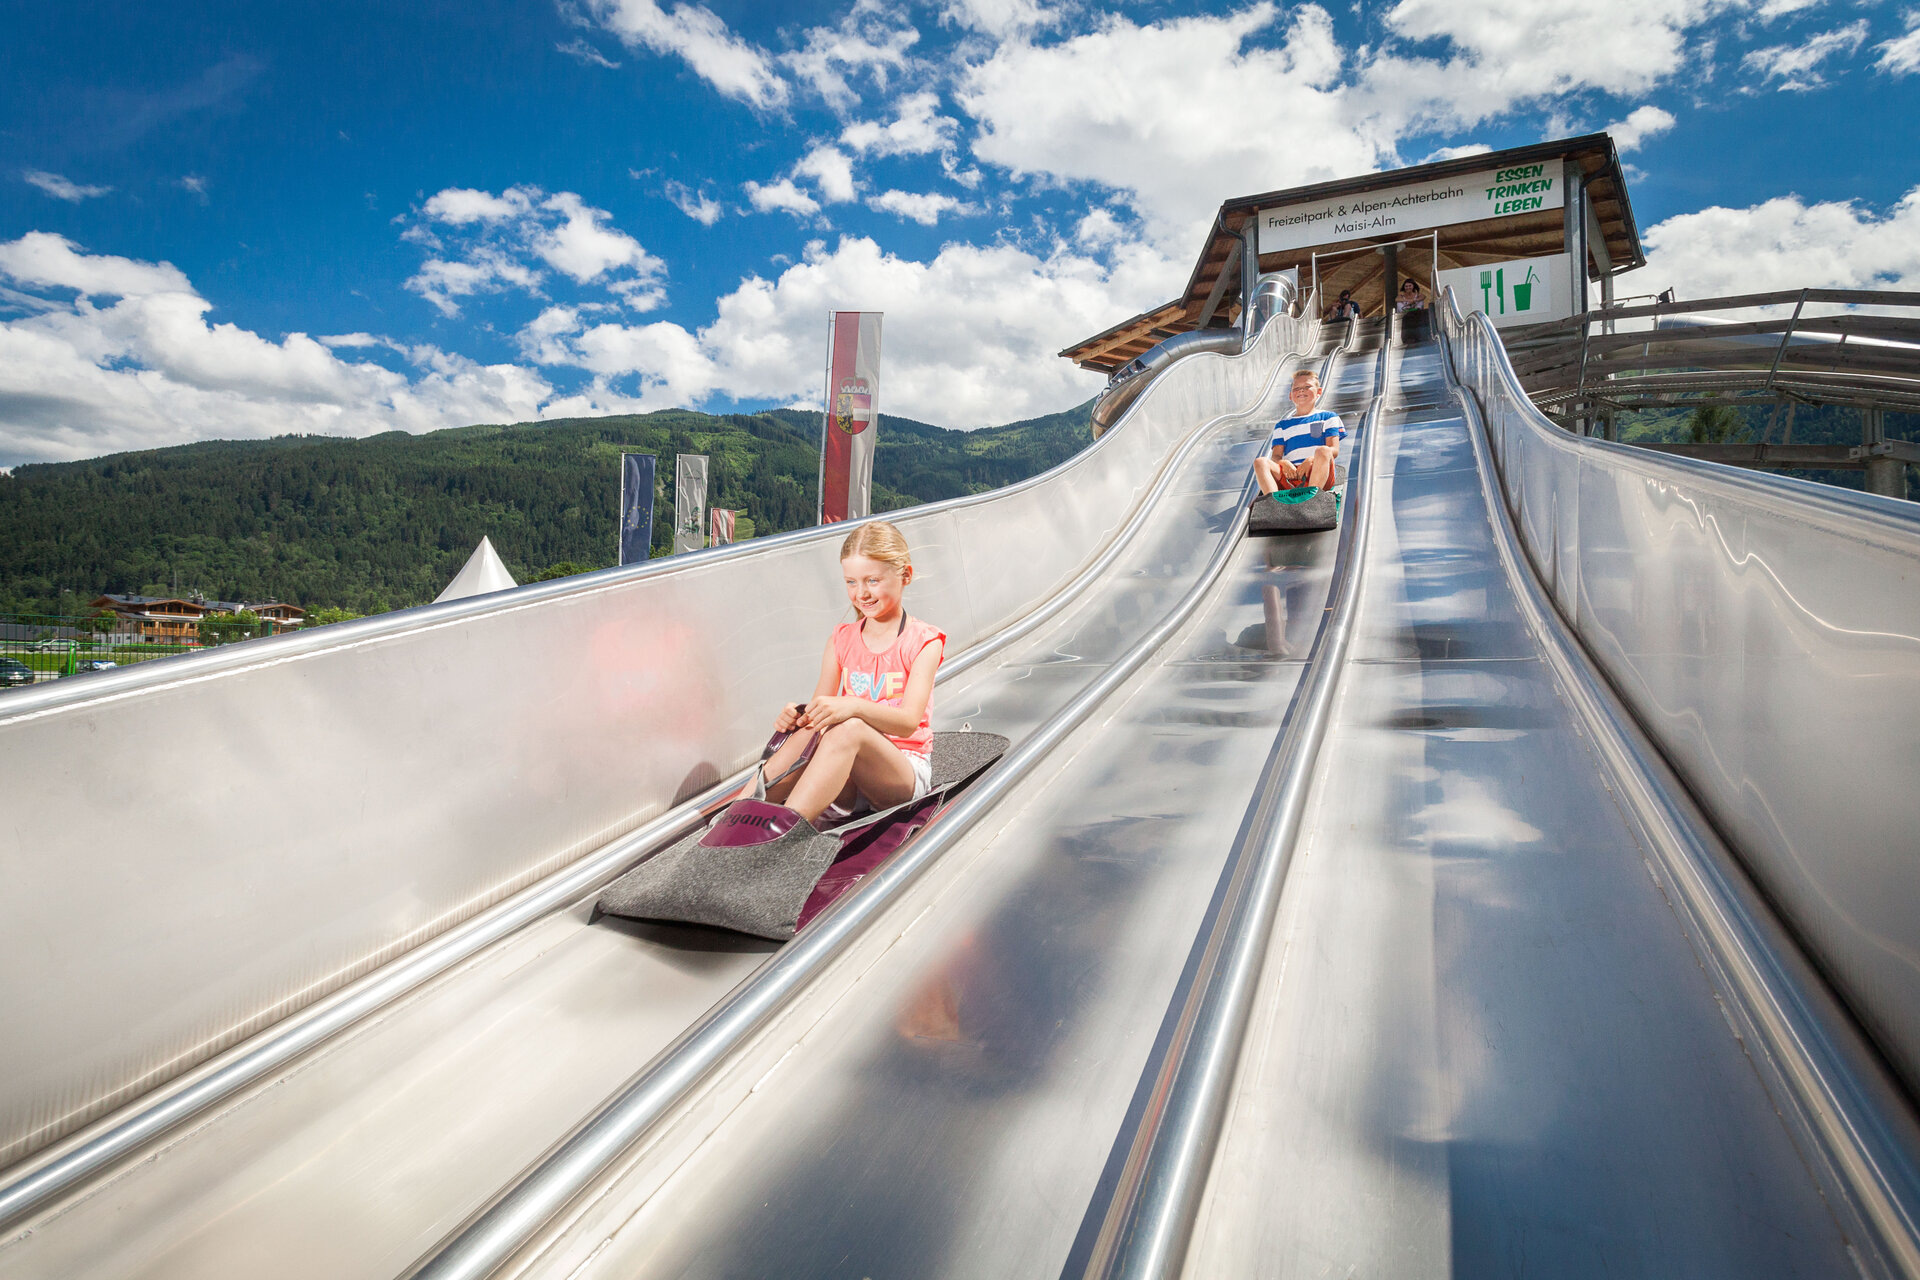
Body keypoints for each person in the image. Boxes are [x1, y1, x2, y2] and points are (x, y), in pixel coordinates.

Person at [759, 520, 945, 825]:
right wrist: (795, 718)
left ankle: (783, 830)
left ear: (905, 575)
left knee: (849, 727)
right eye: (851, 582)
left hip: (899, 774)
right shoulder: (841, 639)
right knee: (815, 727)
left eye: (873, 581)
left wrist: (852, 706)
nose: (862, 593)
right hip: (845, 777)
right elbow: (817, 716)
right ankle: (745, 809)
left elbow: (909, 722)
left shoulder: (924, 641)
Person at [1253, 369, 1346, 502]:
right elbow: (1276, 456)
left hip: (1317, 473)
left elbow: (1334, 450)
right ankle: (1274, 503)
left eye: (1307, 387)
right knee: (1260, 462)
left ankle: (1312, 498)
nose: (1301, 391)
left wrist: (1311, 460)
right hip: (1291, 475)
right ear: (1290, 395)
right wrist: (1284, 463)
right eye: (1296, 388)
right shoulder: (1282, 425)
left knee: (1323, 450)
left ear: (1319, 392)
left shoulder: (1328, 417)